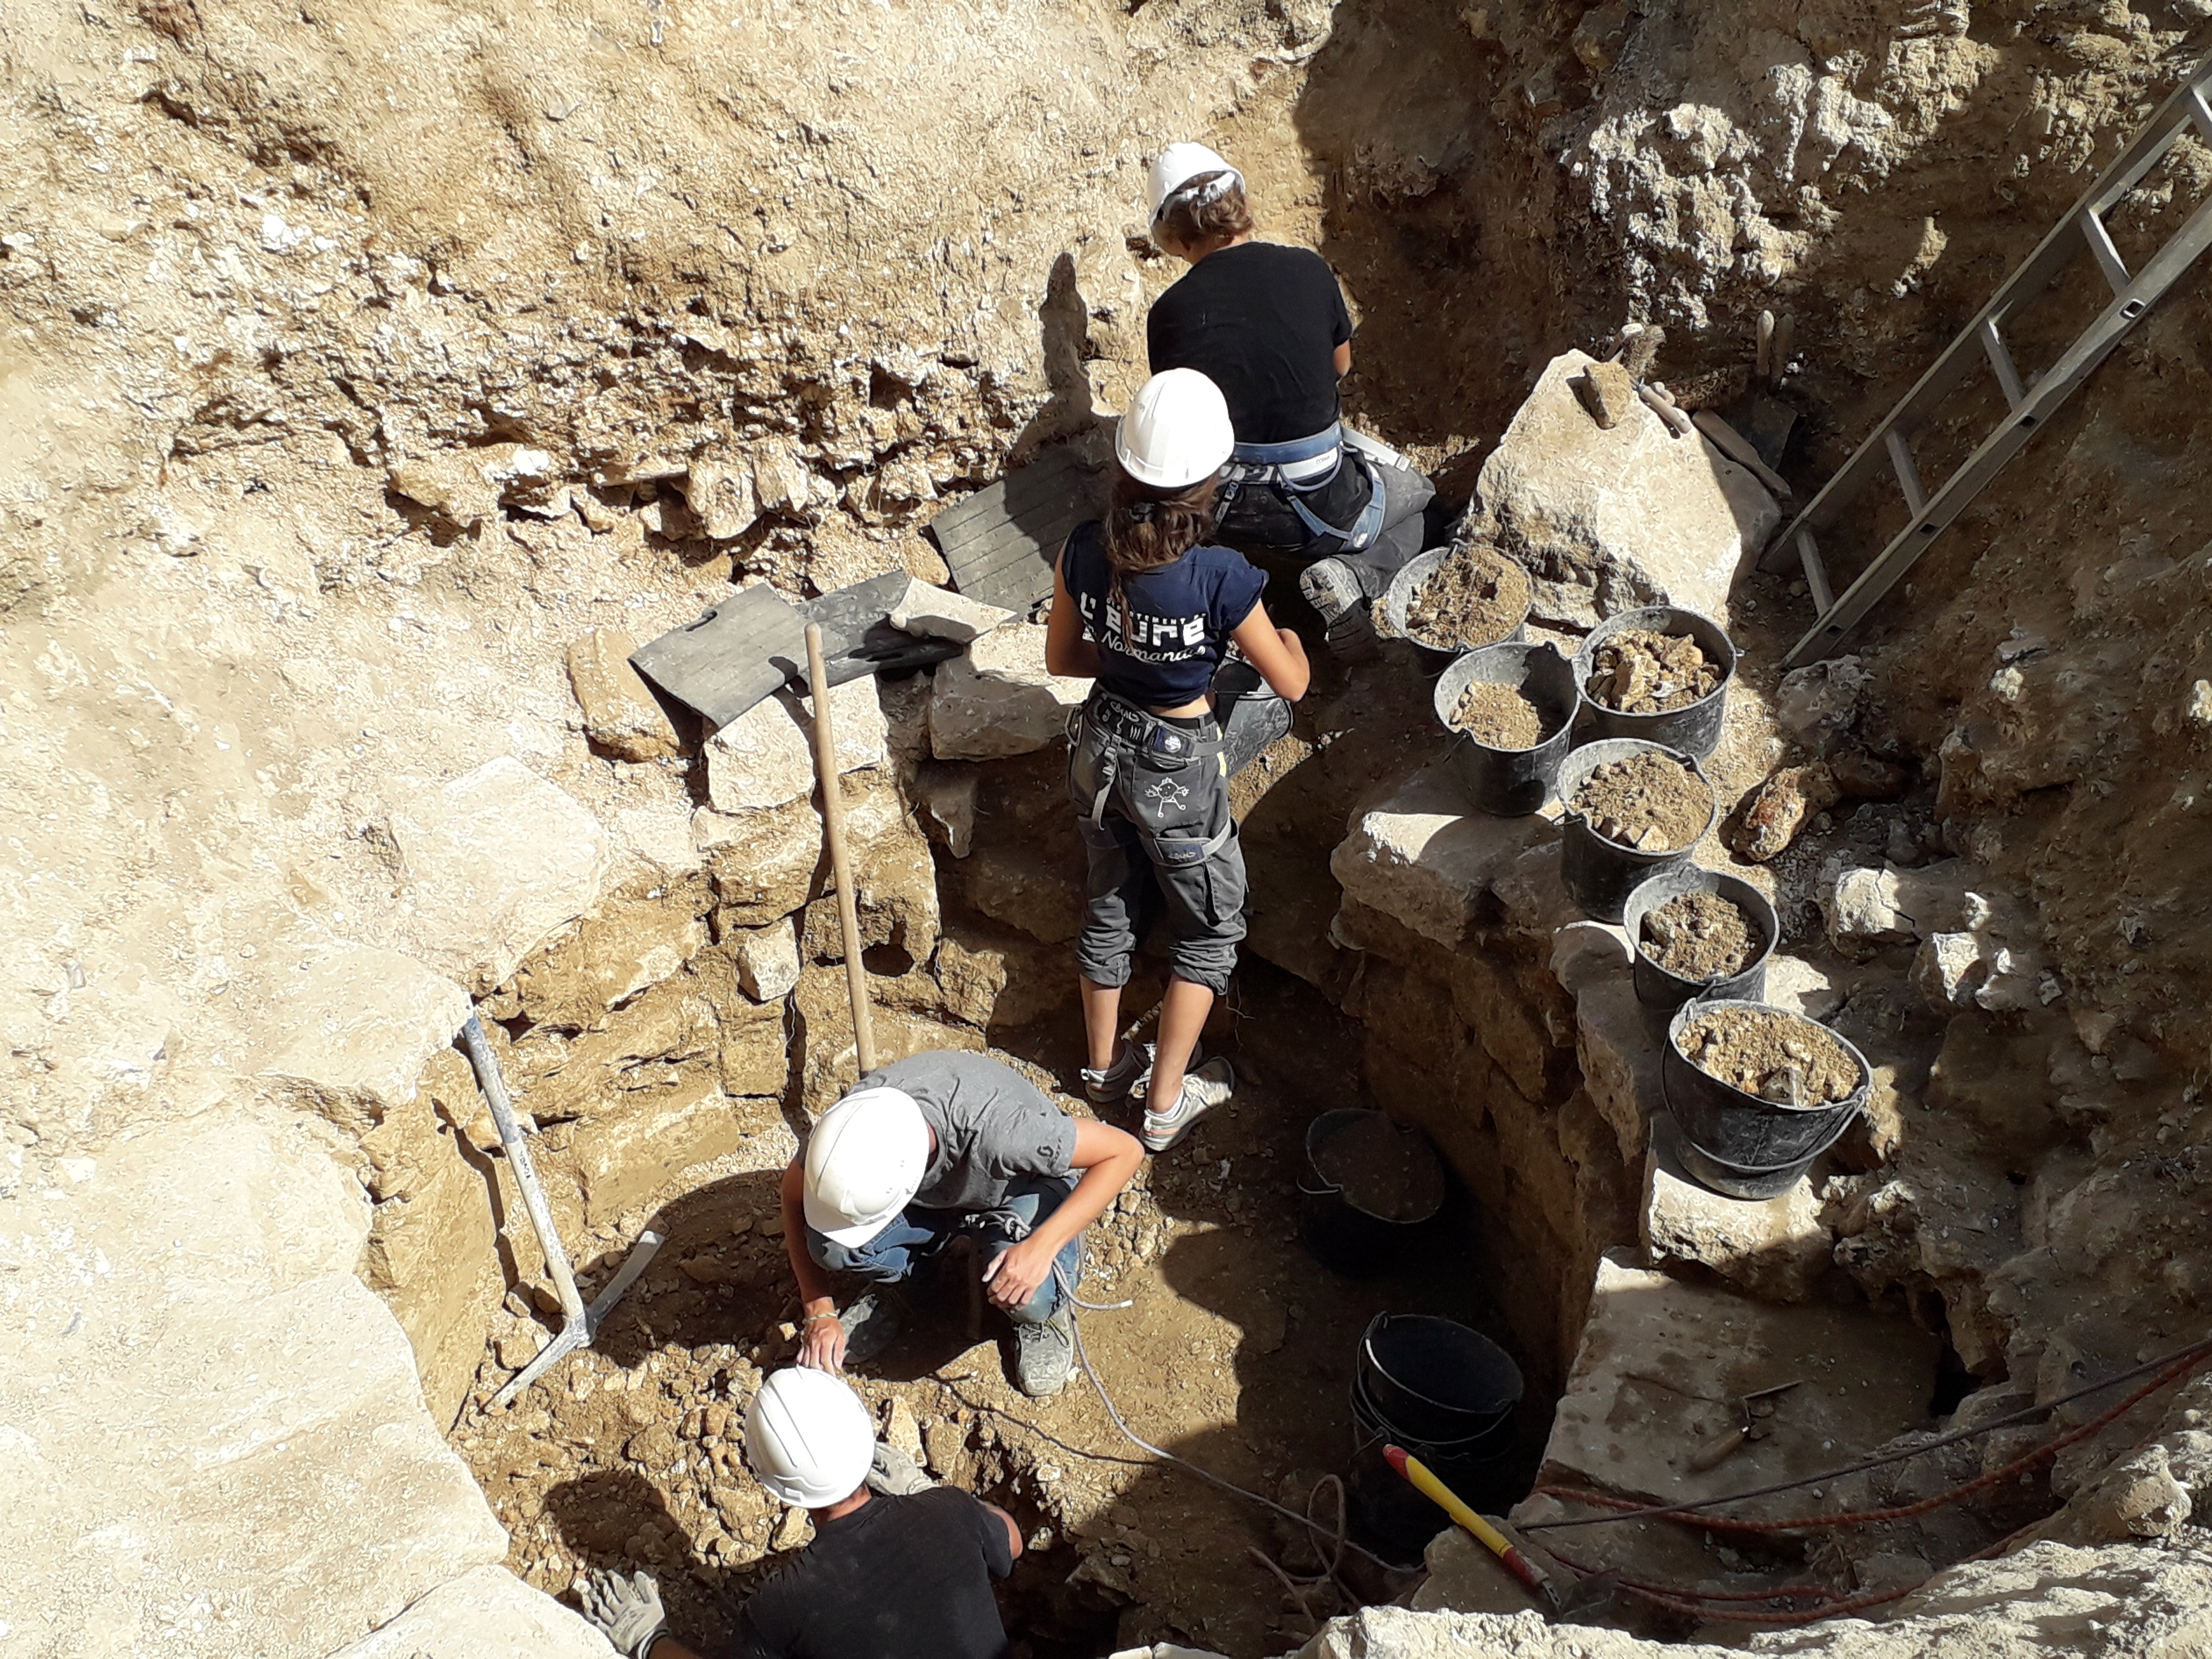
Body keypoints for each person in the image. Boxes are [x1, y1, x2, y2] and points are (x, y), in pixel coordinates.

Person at [1044, 368, 1310, 1155]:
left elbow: (1064, 658)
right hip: (1176, 767)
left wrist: (1134, 659)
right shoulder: (1220, 577)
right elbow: (1288, 682)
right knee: (1210, 930)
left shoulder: (1083, 550)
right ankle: (1164, 1103)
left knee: (1111, 901)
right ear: (1213, 479)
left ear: (1127, 467)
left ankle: (1104, 1069)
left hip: (1099, 748)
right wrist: (1280, 639)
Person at [1142, 140, 1438, 656]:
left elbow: (1179, 419)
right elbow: (1340, 367)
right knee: (1423, 500)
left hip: (1219, 513)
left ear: (1173, 235)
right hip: (1320, 499)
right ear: (1240, 205)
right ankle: (1354, 575)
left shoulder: (1167, 313)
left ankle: (1258, 586)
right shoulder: (1307, 270)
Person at [577, 1366, 1023, 1659]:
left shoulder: (783, 1606)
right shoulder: (947, 1511)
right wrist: (923, 1491)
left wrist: (649, 1640)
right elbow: (1012, 1542)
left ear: (781, 1491)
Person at [779, 1050, 1144, 1396]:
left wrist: (1041, 1249)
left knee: (1030, 1294)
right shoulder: (845, 1130)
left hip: (1014, 1192)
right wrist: (818, 1308)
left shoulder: (1007, 1134)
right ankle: (908, 1284)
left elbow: (1125, 1151)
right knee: (833, 1245)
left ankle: (1042, 1317)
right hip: (939, 1200)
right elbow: (792, 1196)